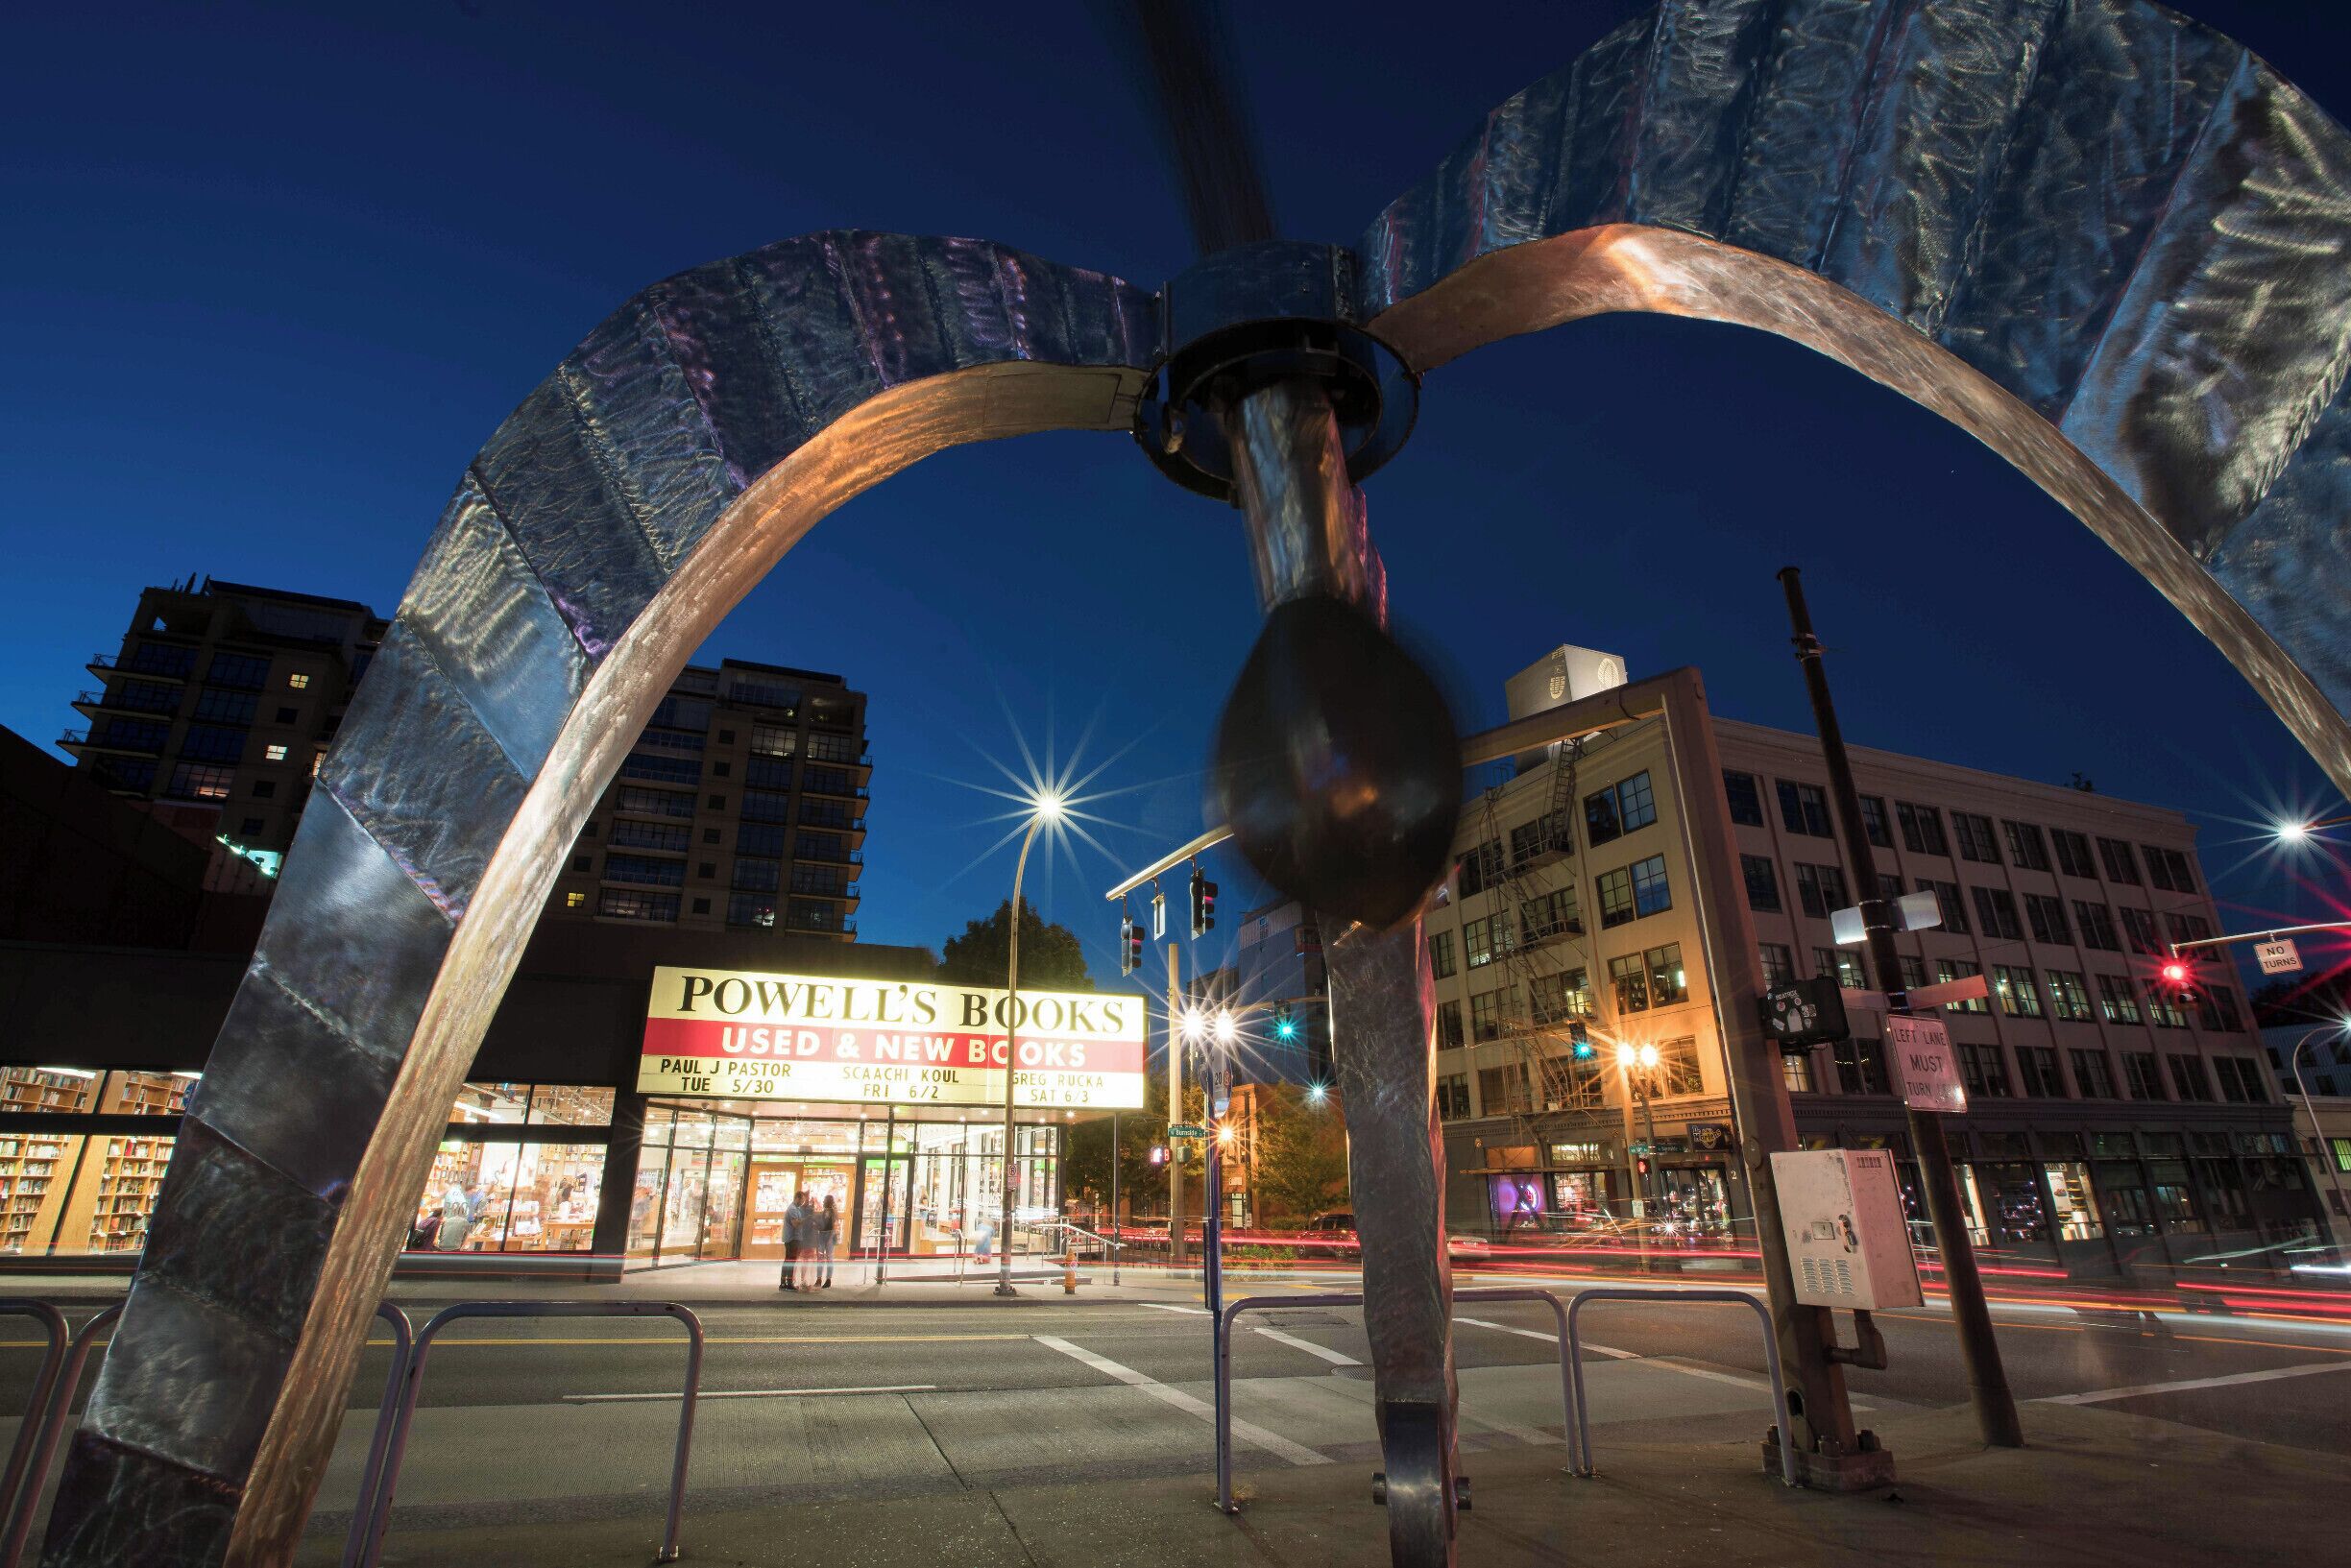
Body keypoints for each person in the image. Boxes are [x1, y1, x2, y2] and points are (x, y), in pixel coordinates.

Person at [780, 1192, 812, 1291]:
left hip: (793, 1238)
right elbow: (795, 1224)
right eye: (802, 1199)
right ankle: (788, 1283)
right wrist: (806, 1219)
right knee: (791, 1261)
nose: (803, 1202)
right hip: (792, 1238)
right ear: (798, 1198)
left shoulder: (795, 1208)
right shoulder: (793, 1209)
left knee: (788, 1260)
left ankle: (783, 1282)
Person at [813, 1194, 838, 1288]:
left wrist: (830, 1237)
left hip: (828, 1235)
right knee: (824, 1258)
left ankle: (826, 1279)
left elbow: (832, 1225)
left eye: (825, 1200)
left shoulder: (831, 1212)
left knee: (826, 1258)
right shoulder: (826, 1211)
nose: (823, 1202)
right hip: (824, 1235)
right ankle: (821, 1279)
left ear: (828, 1202)